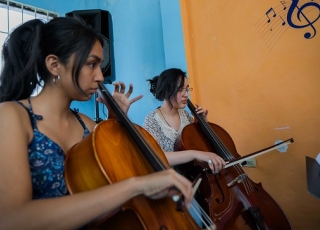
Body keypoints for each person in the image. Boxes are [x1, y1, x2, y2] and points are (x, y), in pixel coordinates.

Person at [0, 17, 196, 230]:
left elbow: (127, 164)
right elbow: (12, 219)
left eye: (100, 66)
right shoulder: (12, 116)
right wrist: (134, 187)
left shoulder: (86, 124)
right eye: (91, 64)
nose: (100, 77)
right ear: (54, 65)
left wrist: (116, 120)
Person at [143, 68, 226, 227]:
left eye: (187, 89)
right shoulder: (152, 120)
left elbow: (202, 147)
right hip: (171, 187)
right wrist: (195, 153)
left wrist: (203, 123)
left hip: (196, 181)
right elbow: (158, 156)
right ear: (168, 89)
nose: (186, 94)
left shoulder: (187, 116)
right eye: (181, 90)